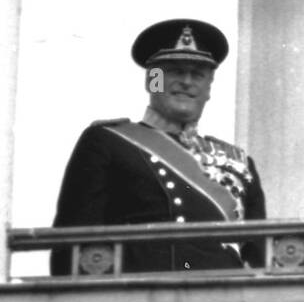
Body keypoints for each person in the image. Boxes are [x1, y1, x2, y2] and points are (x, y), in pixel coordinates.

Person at [50, 18, 266, 274]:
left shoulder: (239, 163)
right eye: (175, 71)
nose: (186, 81)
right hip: (139, 297)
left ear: (208, 88)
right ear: (153, 81)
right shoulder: (109, 142)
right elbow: (71, 243)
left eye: (197, 74)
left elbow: (259, 253)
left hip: (222, 299)